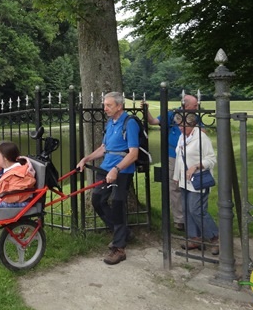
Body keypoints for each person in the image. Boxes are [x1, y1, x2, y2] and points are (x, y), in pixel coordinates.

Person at [77, 91, 139, 265]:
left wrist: (117, 169)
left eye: (108, 105)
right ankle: (122, 232)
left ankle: (119, 248)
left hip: (122, 171)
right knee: (97, 200)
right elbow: (104, 148)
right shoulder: (110, 123)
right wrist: (86, 159)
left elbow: (133, 154)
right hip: (106, 168)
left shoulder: (130, 123)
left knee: (118, 204)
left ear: (119, 106)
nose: (105, 108)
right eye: (105, 105)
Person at [145, 94, 199, 231]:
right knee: (174, 187)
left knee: (192, 185)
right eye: (195, 105)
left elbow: (202, 133)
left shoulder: (197, 117)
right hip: (172, 156)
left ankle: (193, 216)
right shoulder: (172, 115)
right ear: (186, 106)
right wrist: (146, 110)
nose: (197, 107)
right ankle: (180, 219)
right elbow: (152, 122)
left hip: (191, 157)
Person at [172, 113, 219, 255]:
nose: (180, 127)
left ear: (192, 124)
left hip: (199, 180)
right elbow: (179, 158)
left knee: (196, 209)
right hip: (185, 180)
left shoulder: (201, 138)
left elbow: (211, 159)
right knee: (187, 209)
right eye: (178, 124)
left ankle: (215, 238)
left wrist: (196, 166)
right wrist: (176, 176)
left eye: (183, 125)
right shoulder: (182, 137)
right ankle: (195, 238)